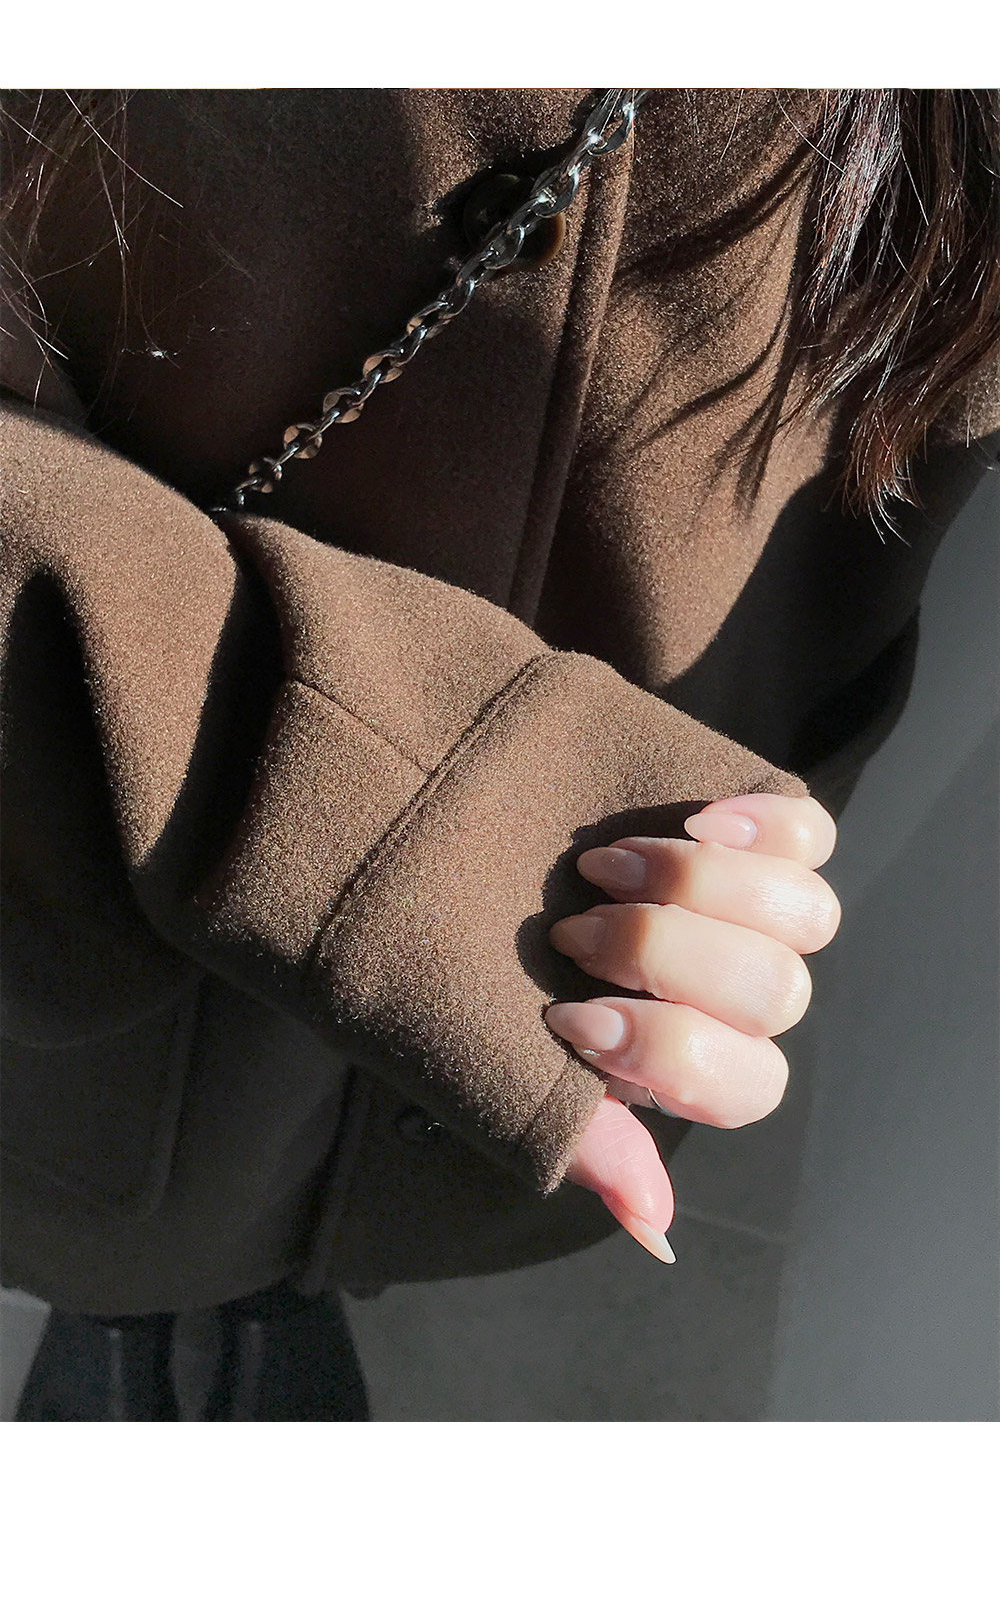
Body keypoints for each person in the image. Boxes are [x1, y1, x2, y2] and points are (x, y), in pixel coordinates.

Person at [2, 83, 998, 1421]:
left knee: (277, 1246)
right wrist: (382, 798)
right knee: (121, 1230)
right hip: (66, 923)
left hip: (576, 1026)